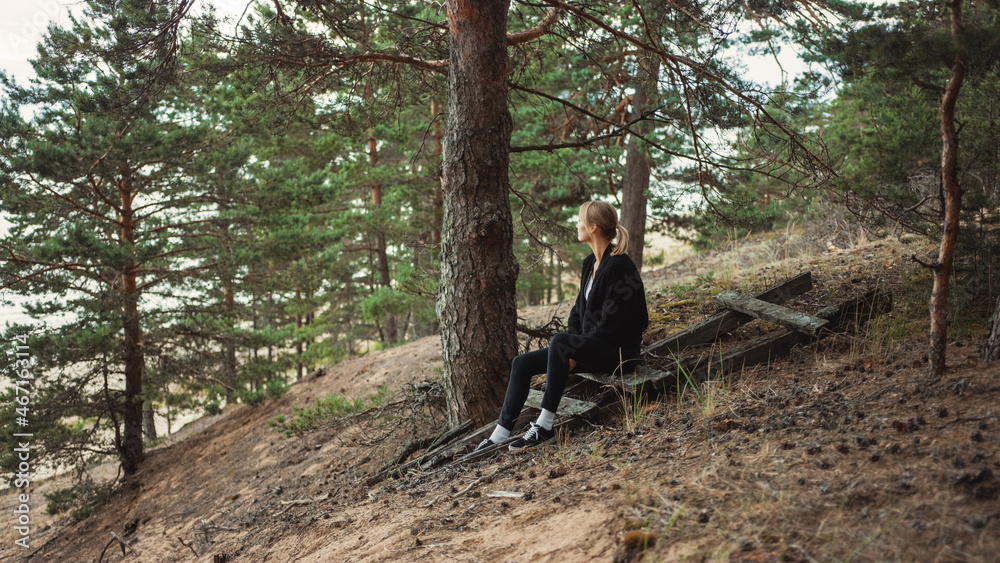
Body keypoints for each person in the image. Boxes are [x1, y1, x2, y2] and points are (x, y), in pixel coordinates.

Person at [476, 201, 649, 453]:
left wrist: (576, 350)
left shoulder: (621, 266)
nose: (576, 225)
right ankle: (500, 434)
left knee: (561, 342)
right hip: (591, 346)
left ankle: (545, 427)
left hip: (620, 353)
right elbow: (578, 313)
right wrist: (576, 347)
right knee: (521, 363)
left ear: (593, 227)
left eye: (580, 221)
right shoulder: (590, 263)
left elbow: (619, 322)